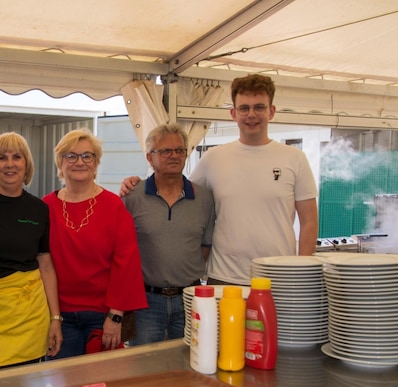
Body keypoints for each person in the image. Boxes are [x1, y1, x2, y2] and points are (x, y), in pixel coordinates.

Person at [122, 74, 318, 286]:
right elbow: (175, 189)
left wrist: (302, 271)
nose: (251, 114)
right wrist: (137, 184)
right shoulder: (213, 158)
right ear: (233, 114)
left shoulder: (295, 158)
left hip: (278, 278)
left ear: (271, 111)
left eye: (259, 107)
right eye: (244, 108)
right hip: (224, 278)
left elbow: (309, 221)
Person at [43, 129, 147, 359]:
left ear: (96, 162)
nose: (79, 162)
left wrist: (115, 316)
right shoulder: (46, 206)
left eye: (87, 156)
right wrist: (53, 318)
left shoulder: (113, 206)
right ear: (60, 162)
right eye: (71, 156)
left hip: (102, 318)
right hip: (59, 318)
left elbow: (126, 264)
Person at [0, 132, 63, 370]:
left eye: (17, 157)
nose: (10, 164)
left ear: (27, 165)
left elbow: (45, 265)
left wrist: (55, 319)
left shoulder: (39, 209)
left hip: (30, 316)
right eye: (2, 158)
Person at [121, 124, 215, 345]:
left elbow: (204, 247)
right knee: (144, 366)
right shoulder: (132, 197)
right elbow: (122, 251)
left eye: (179, 150)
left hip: (191, 299)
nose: (174, 155)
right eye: (165, 151)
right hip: (145, 302)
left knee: (189, 364)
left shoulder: (204, 198)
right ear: (149, 158)